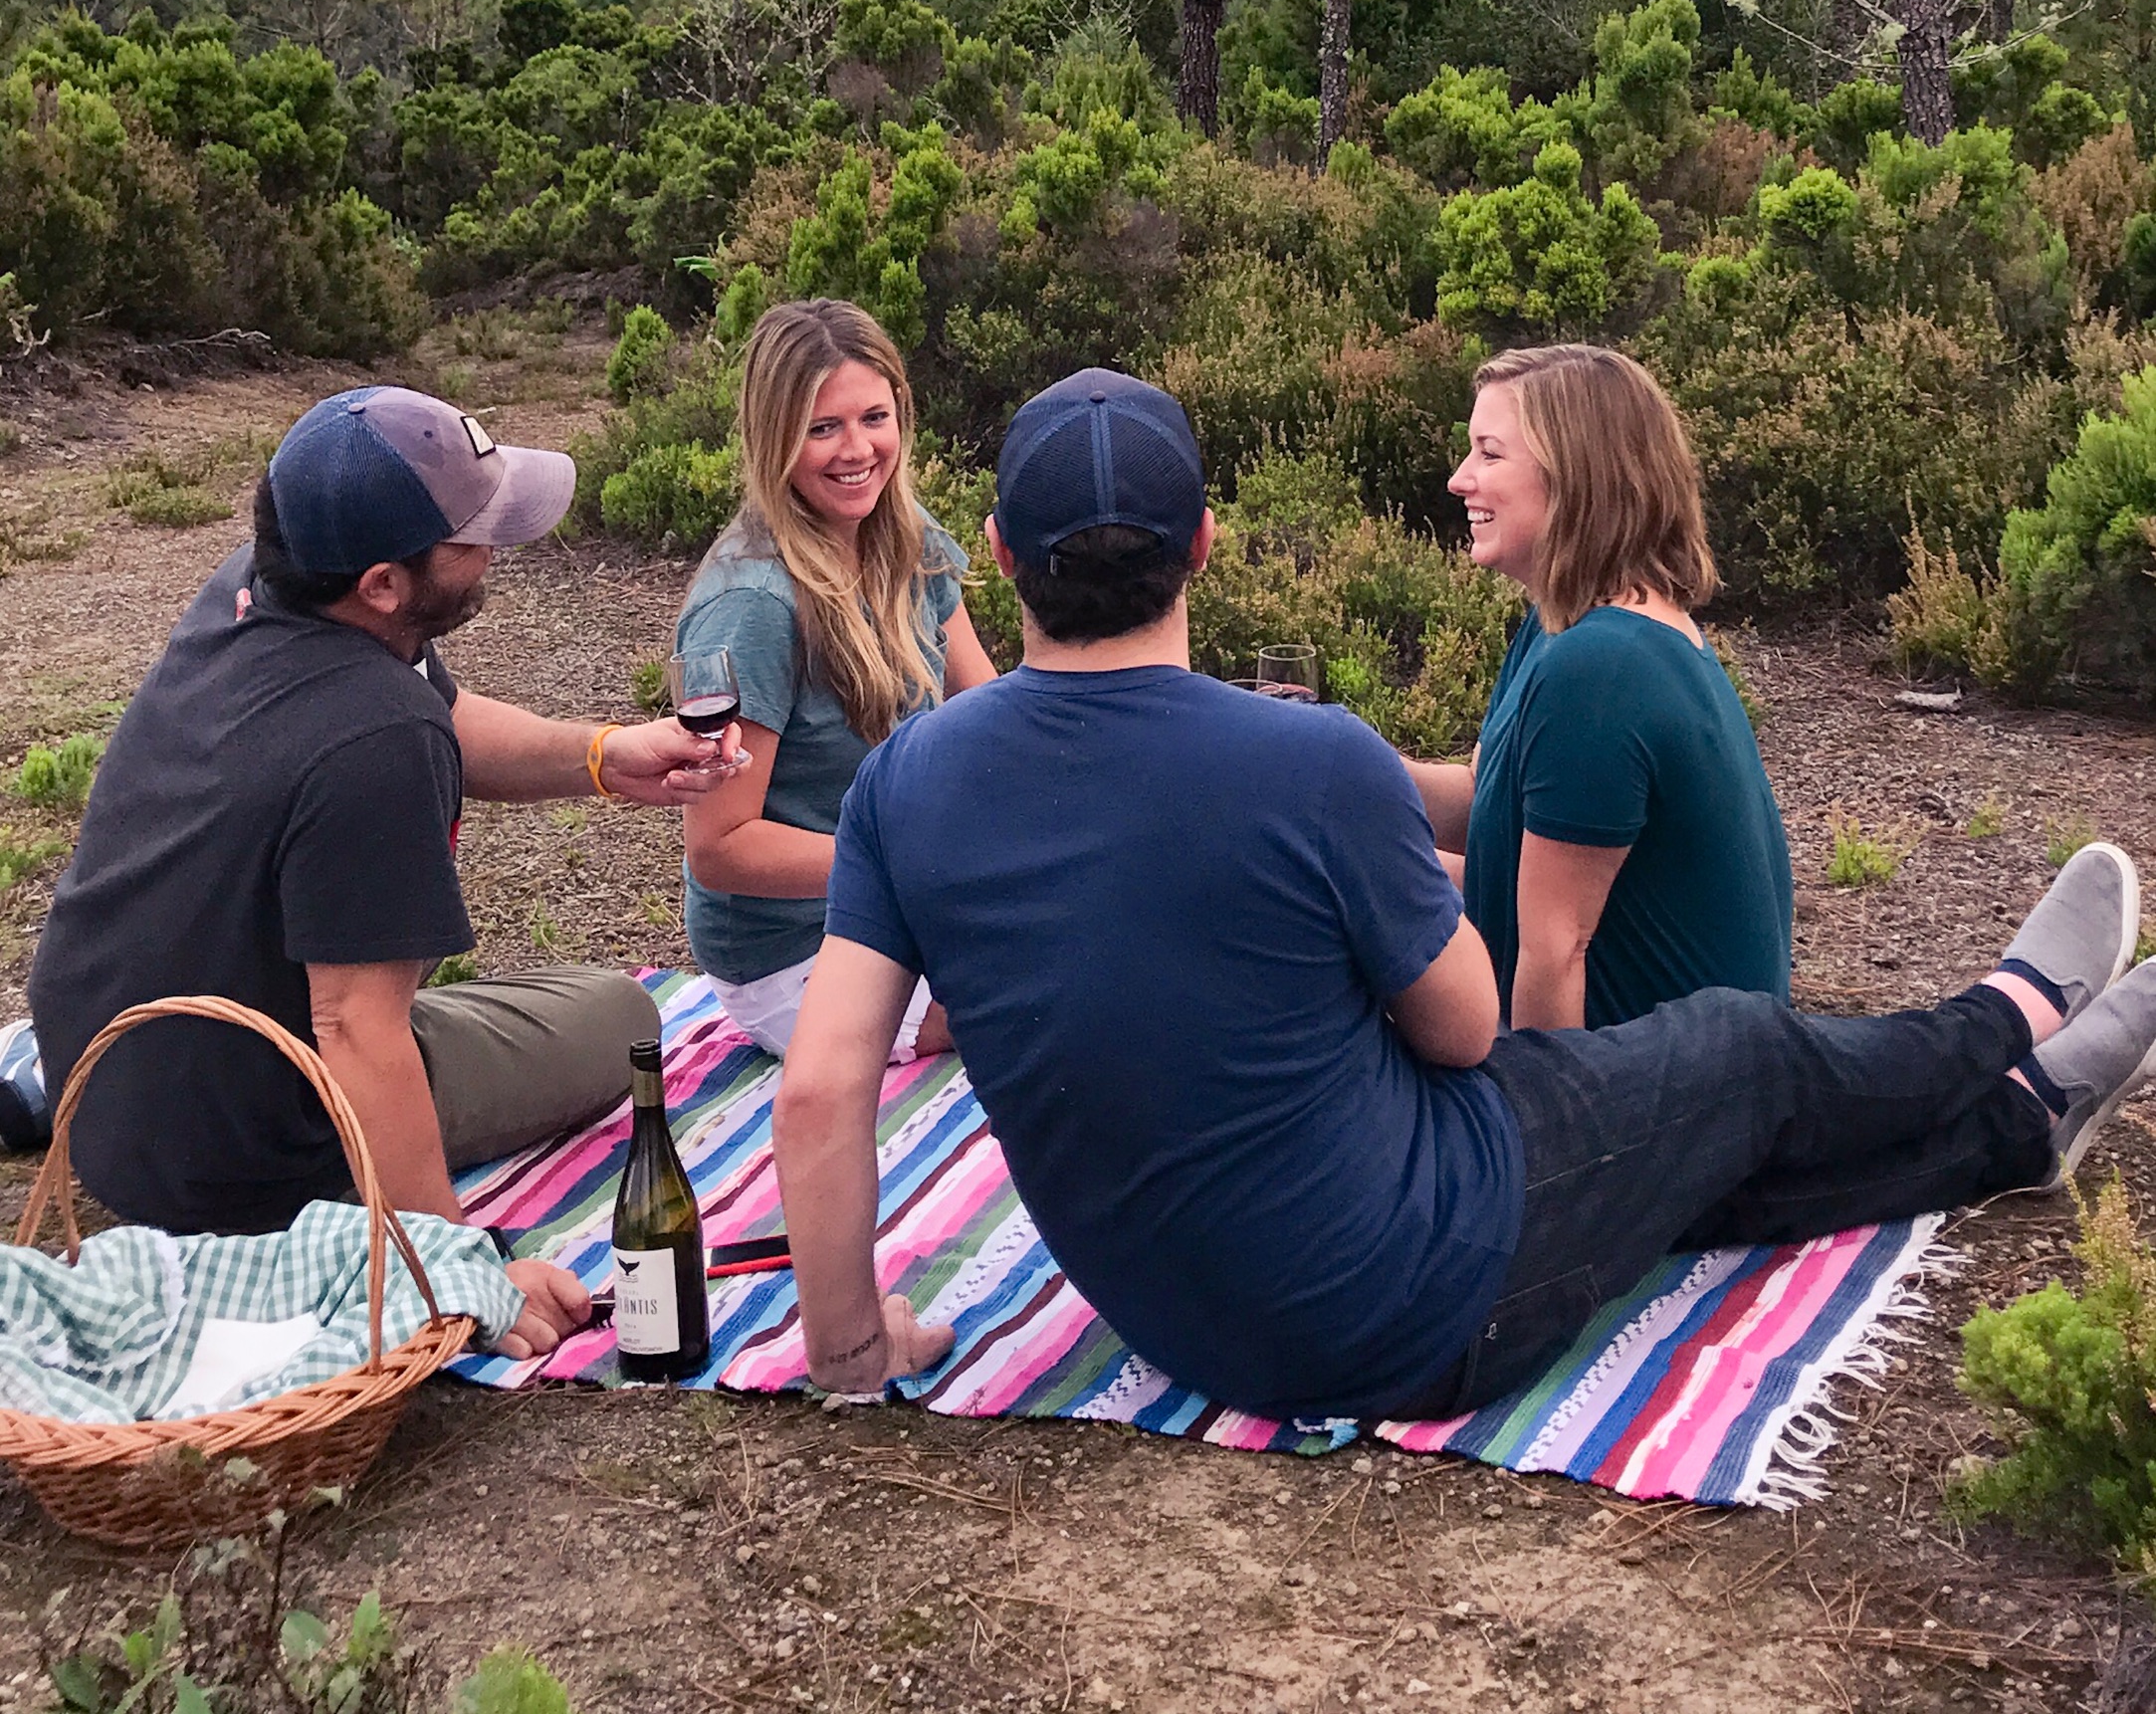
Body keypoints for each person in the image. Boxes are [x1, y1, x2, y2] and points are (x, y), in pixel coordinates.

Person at [773, 366, 2155, 1422]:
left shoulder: (909, 781)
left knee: (1681, 1139)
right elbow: (1463, 1031)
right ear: (1204, 544)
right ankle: (2008, 1016)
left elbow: (825, 1086)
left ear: (1002, 559)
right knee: (1734, 1049)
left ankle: (2016, 1125)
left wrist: (851, 1350)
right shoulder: (1309, 761)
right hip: (1416, 1300)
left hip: (1176, 1324)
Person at [30, 385, 746, 1362]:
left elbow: (435, 710)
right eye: (472, 534)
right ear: (382, 584)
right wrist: (458, 1272)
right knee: (621, 1017)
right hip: (238, 1162)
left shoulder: (257, 590)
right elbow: (356, 1030)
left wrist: (602, 755)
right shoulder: (372, 740)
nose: (497, 548)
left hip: (103, 1086)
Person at [1409, 343, 1793, 1030]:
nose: (1459, 480)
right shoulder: (1568, 630)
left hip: (1662, 1106)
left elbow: (1554, 953)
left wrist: (1531, 1128)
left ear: (1577, 477)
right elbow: (1484, 810)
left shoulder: (1604, 669)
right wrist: (1329, 765)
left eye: (1489, 454)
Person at [678, 299, 997, 1056]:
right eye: (822, 429)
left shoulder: (903, 535)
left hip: (907, 905)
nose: (857, 450)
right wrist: (908, 867)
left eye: (874, 418)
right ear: (774, 438)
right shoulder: (752, 605)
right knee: (1055, 999)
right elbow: (720, 845)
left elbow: (983, 710)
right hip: (798, 951)